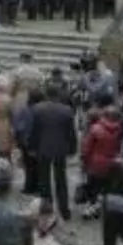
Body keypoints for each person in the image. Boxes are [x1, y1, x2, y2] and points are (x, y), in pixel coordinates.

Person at [81, 102, 123, 245]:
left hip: (96, 164)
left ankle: (93, 207)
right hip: (112, 165)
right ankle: (102, 206)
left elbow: (87, 148)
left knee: (93, 188)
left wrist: (84, 161)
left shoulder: (96, 129)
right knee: (107, 189)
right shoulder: (121, 130)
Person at [29, 85, 80, 213]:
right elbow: (71, 133)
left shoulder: (37, 109)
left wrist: (32, 147)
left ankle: (47, 205)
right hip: (60, 148)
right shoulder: (67, 110)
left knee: (44, 179)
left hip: (43, 147)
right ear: (58, 95)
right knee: (61, 179)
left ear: (46, 94)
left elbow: (34, 131)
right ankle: (64, 208)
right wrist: (73, 148)